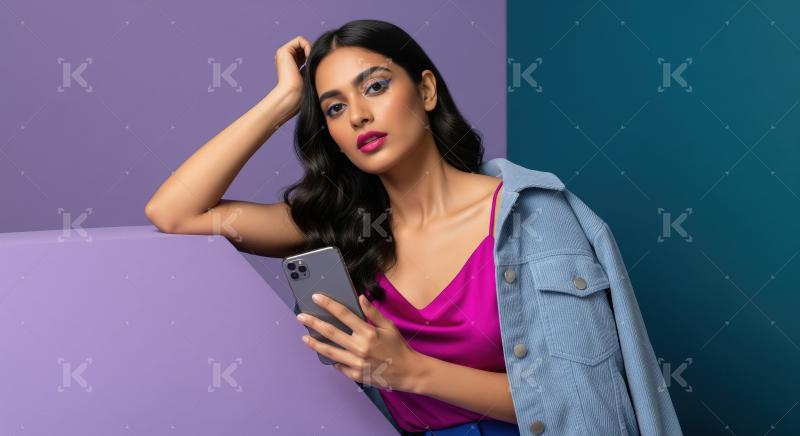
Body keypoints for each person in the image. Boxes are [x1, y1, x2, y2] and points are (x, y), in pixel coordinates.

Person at [146, 19, 681, 436]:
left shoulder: (531, 219)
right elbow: (175, 214)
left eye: (374, 86)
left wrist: (406, 370)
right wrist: (283, 101)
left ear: (425, 91)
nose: (357, 115)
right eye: (334, 107)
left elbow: (585, 402)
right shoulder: (342, 229)